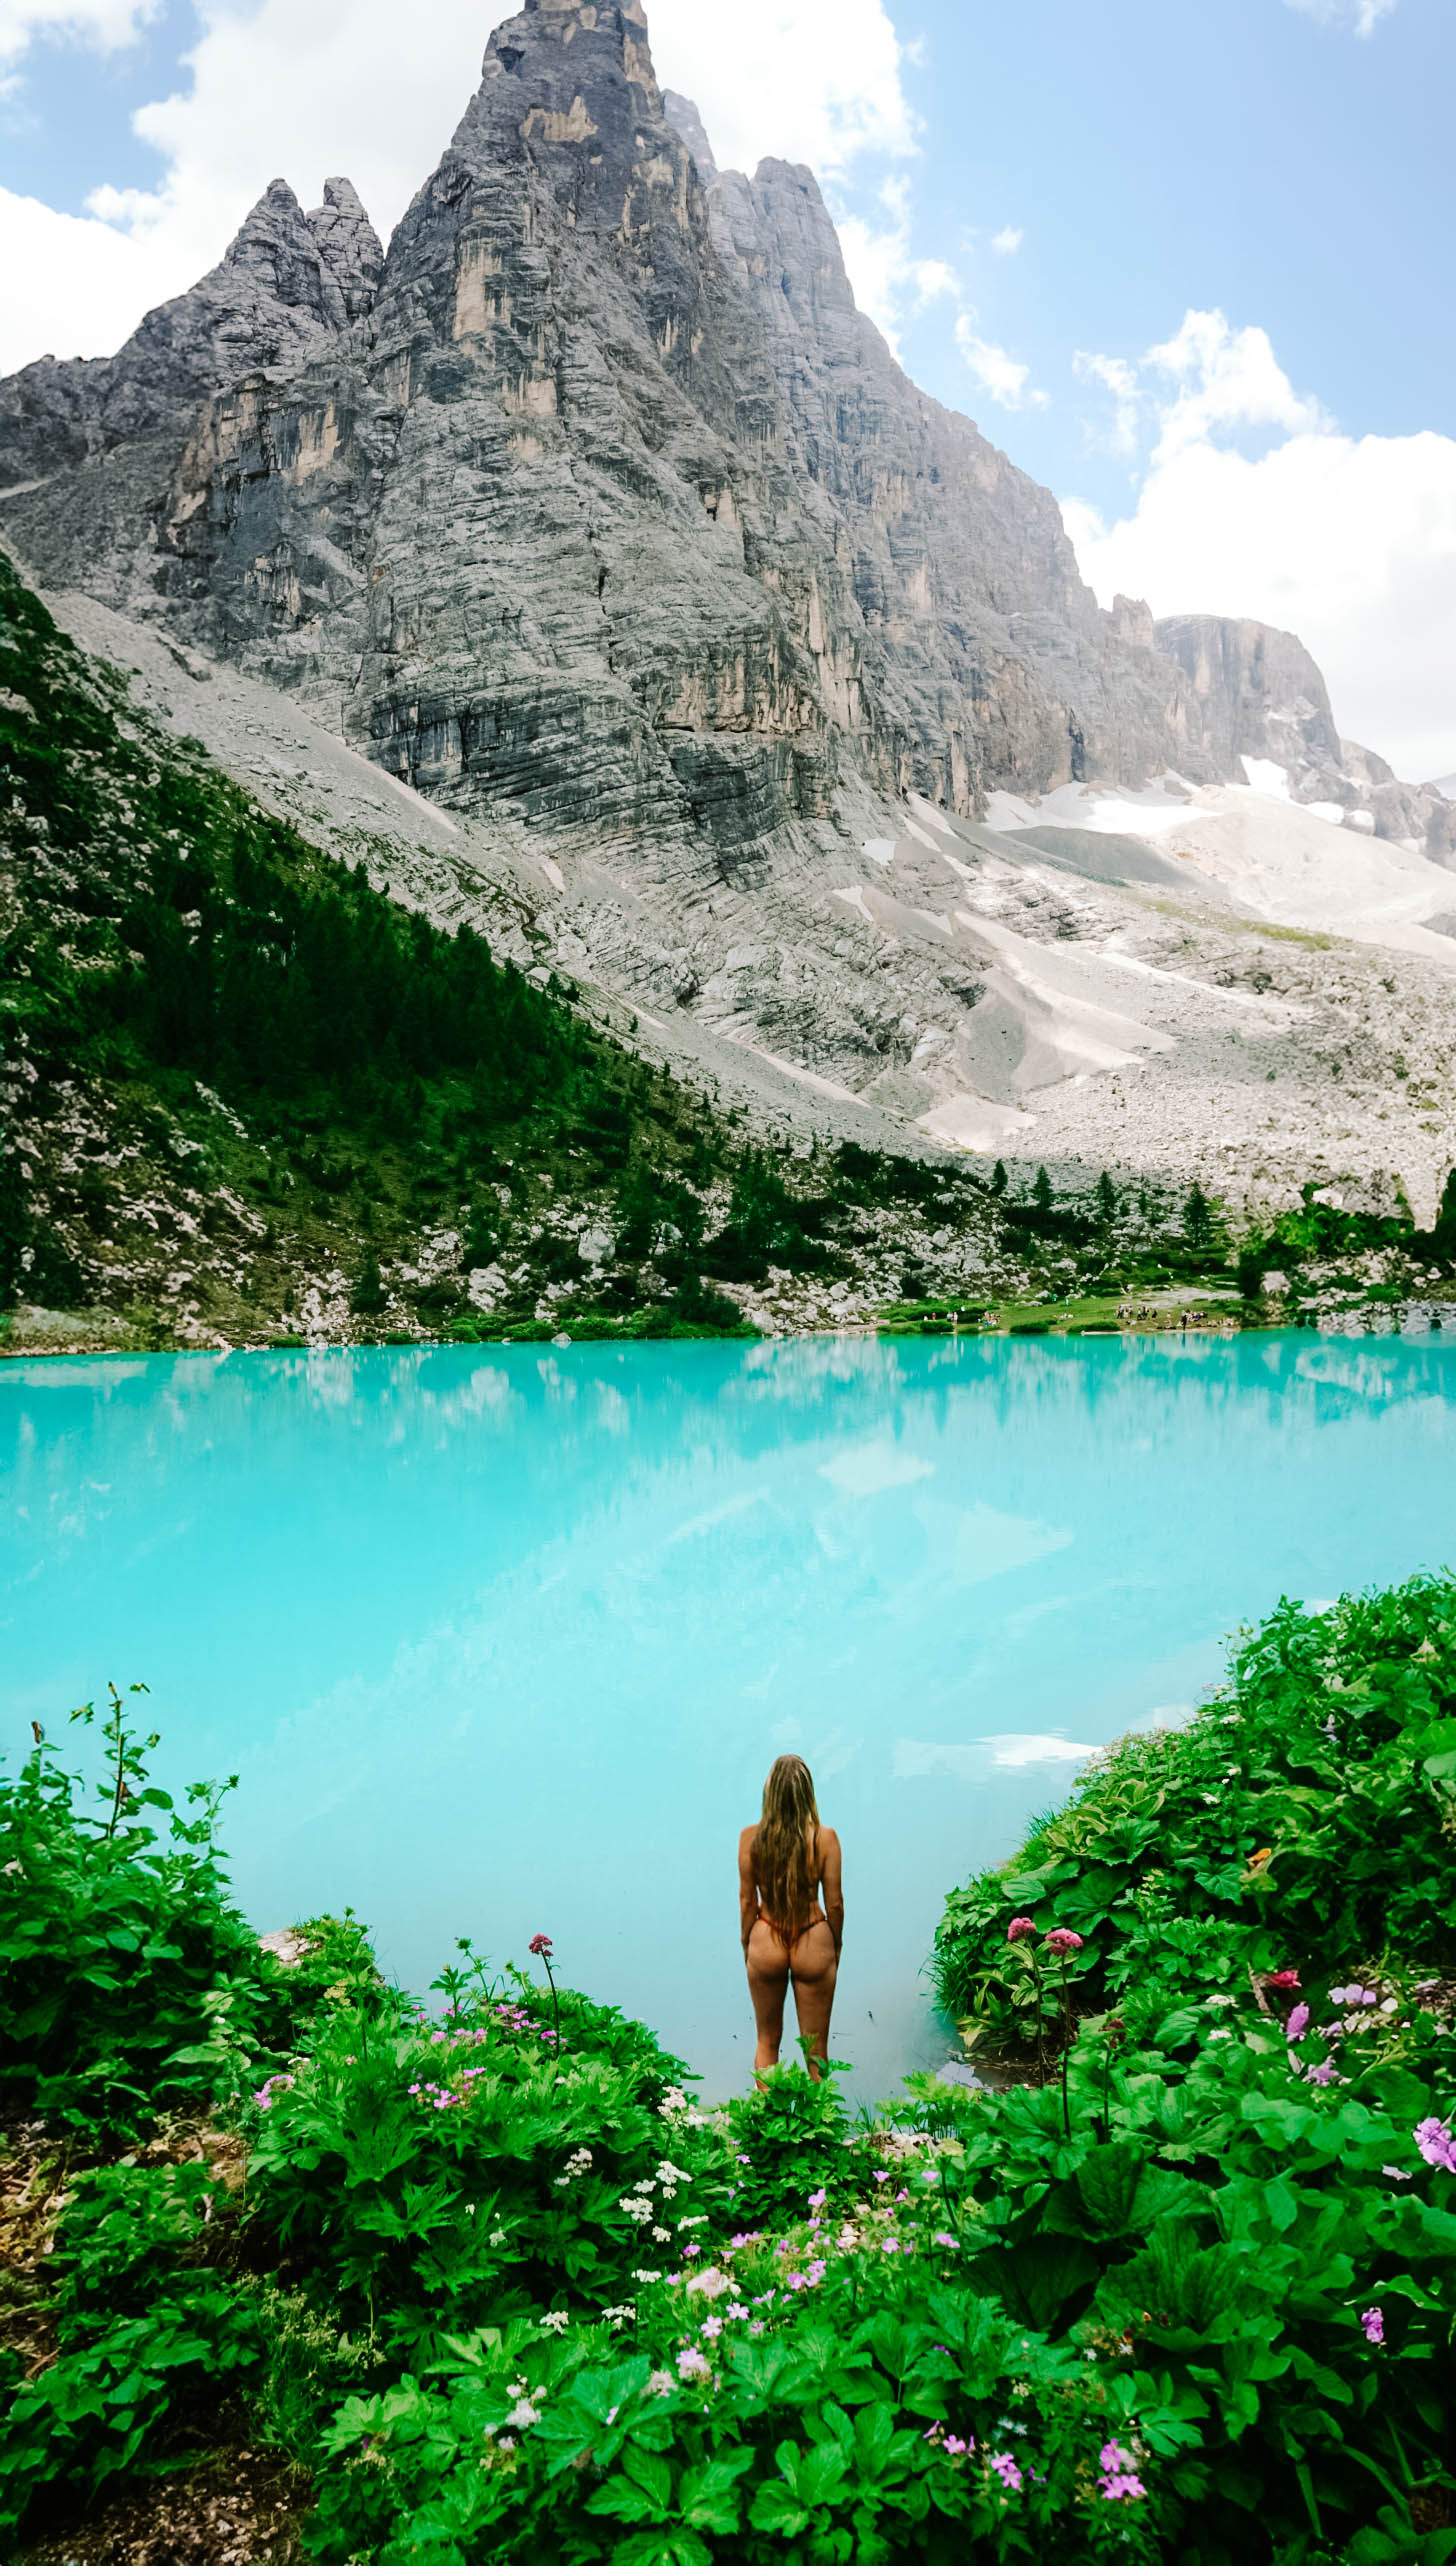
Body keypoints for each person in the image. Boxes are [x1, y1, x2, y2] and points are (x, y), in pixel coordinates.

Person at [739, 1755, 843, 2081]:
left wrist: (747, 1942)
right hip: (813, 1935)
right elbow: (835, 1902)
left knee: (767, 2041)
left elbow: (747, 1901)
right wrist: (835, 1943)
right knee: (816, 2048)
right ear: (807, 1792)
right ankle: (819, 2125)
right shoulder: (825, 1838)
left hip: (766, 1933)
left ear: (769, 1793)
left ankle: (767, 2122)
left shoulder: (749, 1838)